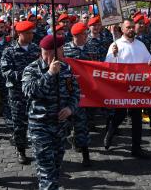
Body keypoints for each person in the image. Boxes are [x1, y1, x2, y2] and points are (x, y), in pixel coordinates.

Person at [22, 35, 80, 190]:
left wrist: (70, 109)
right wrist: (49, 74)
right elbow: (30, 92)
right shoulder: (31, 69)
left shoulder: (66, 68)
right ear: (49, 52)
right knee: (47, 172)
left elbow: (75, 93)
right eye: (61, 50)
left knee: (55, 167)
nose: (63, 52)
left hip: (60, 127)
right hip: (40, 128)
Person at [104, 19, 151, 159]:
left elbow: (149, 60)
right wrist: (113, 55)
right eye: (128, 27)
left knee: (137, 119)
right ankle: (110, 132)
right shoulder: (116, 45)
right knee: (120, 115)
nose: (131, 29)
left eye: (133, 27)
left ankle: (136, 148)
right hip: (122, 87)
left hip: (137, 88)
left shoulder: (140, 45)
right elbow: (107, 66)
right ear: (122, 29)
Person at [1, 21, 40, 164]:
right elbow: (6, 71)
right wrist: (26, 75)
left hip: (34, 92)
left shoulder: (36, 49)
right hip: (17, 93)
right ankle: (21, 150)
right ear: (19, 34)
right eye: (28, 33)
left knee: (36, 122)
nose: (31, 35)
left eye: (32, 33)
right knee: (19, 124)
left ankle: (38, 150)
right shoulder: (9, 51)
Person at [63, 23, 93, 166]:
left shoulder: (91, 47)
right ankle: (72, 140)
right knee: (66, 123)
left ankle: (85, 155)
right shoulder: (65, 50)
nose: (87, 36)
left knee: (82, 124)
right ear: (76, 36)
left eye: (87, 34)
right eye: (84, 34)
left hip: (87, 92)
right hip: (69, 93)